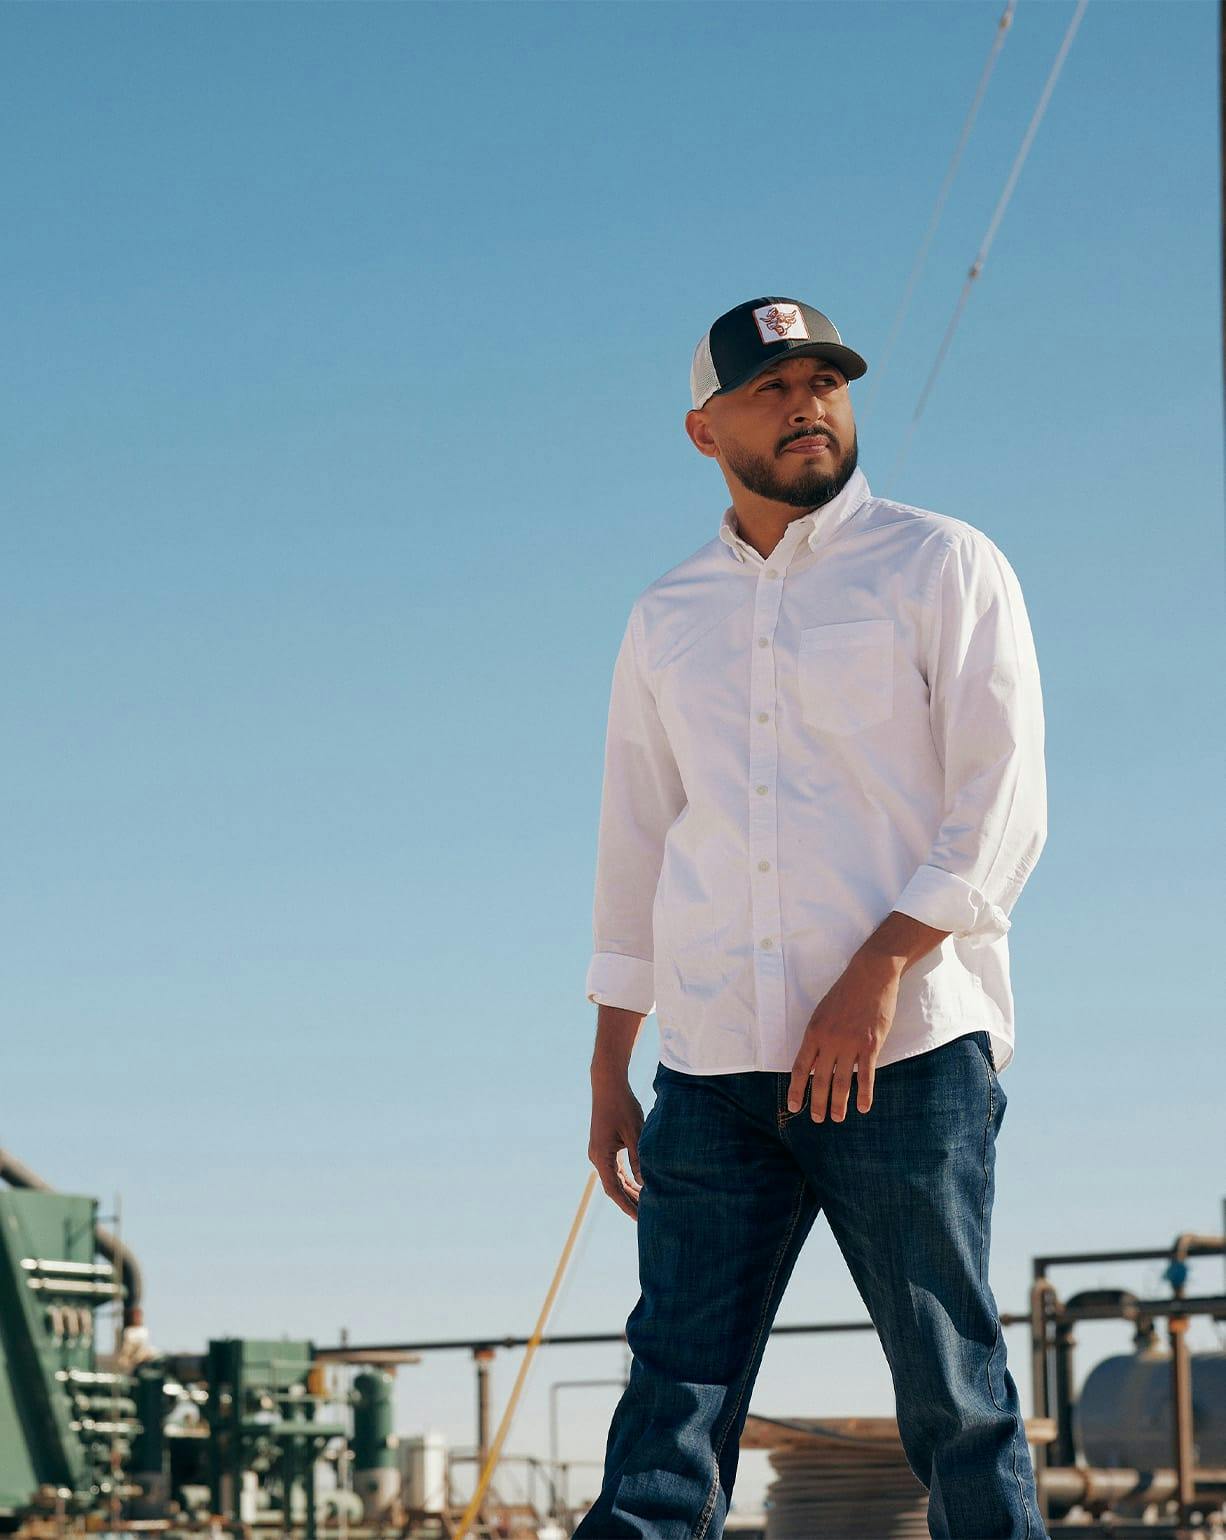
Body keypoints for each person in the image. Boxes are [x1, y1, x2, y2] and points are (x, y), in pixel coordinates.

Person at [573, 296, 1050, 1539]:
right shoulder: (665, 616)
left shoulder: (941, 563)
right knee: (665, 1410)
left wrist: (879, 967)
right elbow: (637, 838)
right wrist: (608, 1061)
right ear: (703, 428)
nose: (807, 403)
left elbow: (1001, 802)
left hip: (902, 1059)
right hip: (715, 1069)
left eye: (824, 380)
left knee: (954, 1397)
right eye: (771, 386)